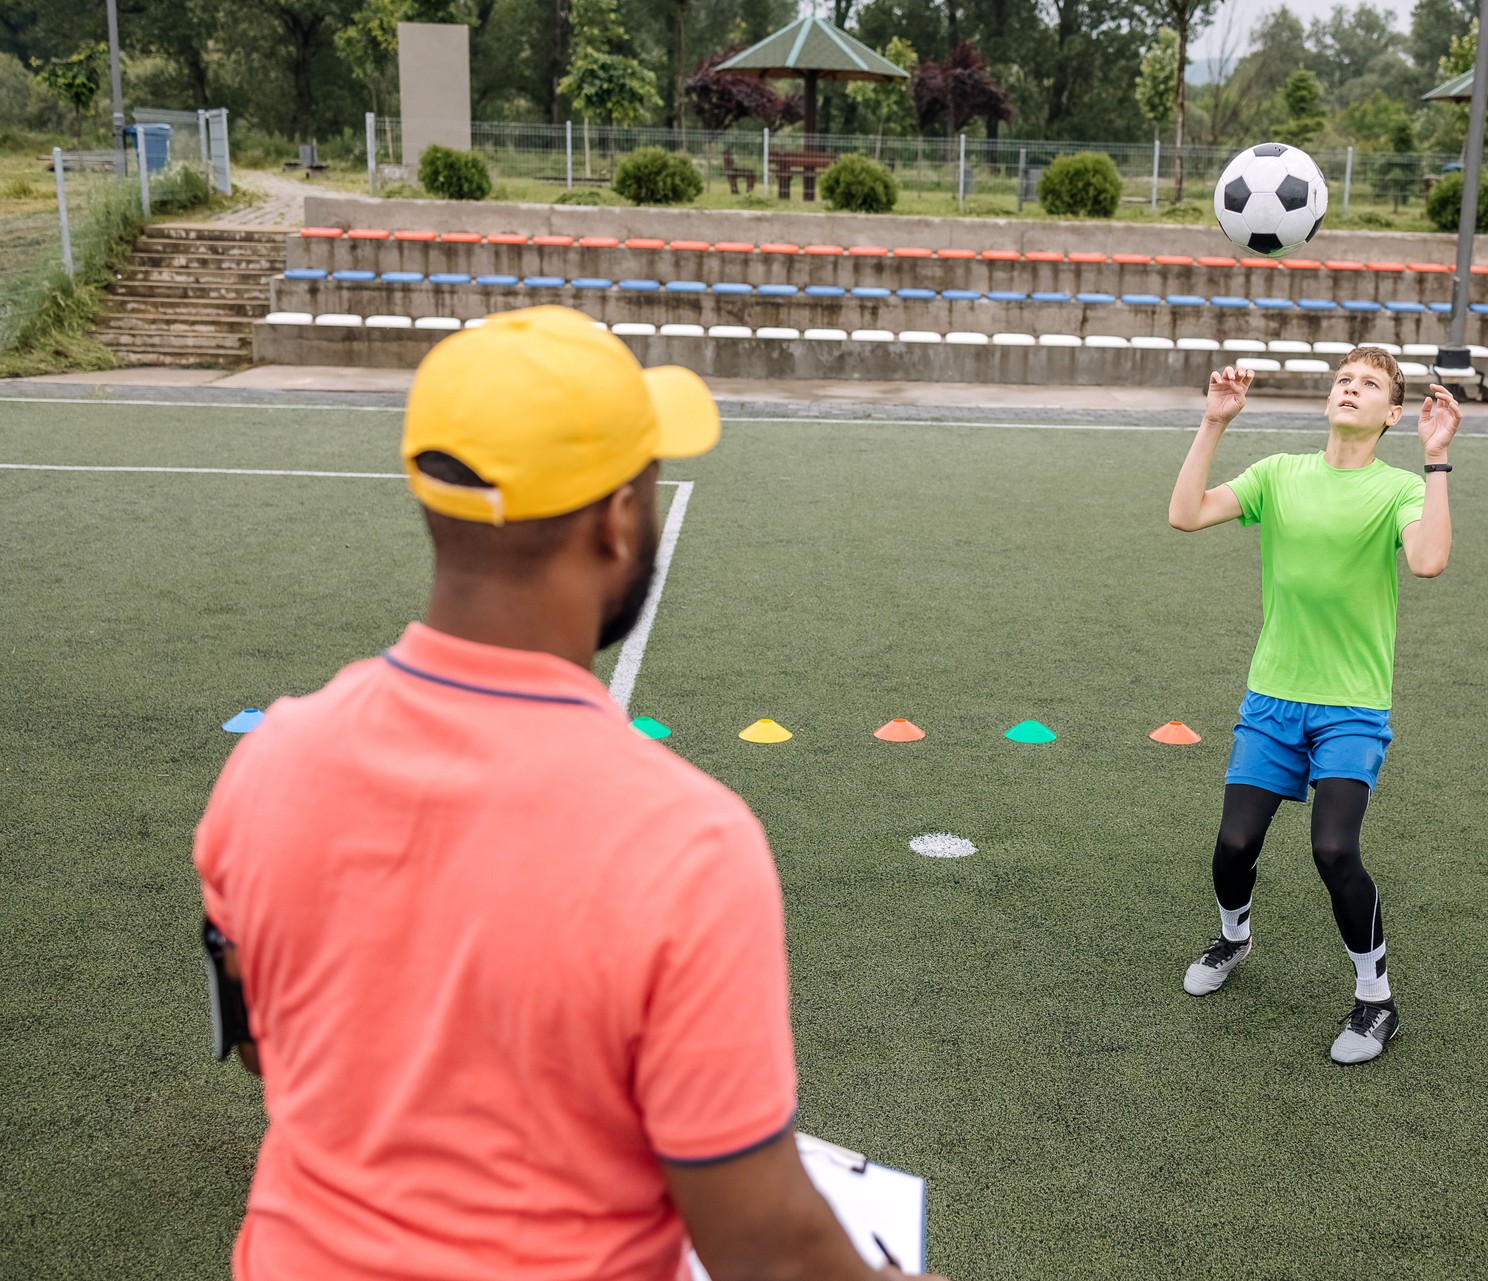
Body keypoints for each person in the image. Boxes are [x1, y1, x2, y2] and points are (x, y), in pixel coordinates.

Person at [194, 306, 939, 1281]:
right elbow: (763, 1246)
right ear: (618, 518)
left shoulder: (268, 762)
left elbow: (261, 1046)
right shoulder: (685, 844)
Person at [1166, 348, 1461, 1065]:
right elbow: (1185, 515)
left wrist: (1437, 460)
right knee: (1235, 843)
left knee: (1334, 848)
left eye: (1368, 384)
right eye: (1343, 380)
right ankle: (1234, 936)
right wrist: (1212, 423)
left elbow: (1427, 560)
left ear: (1394, 412)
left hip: (1350, 705)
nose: (1350, 389)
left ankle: (1376, 1000)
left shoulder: (1398, 490)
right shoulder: (1279, 473)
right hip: (1273, 696)